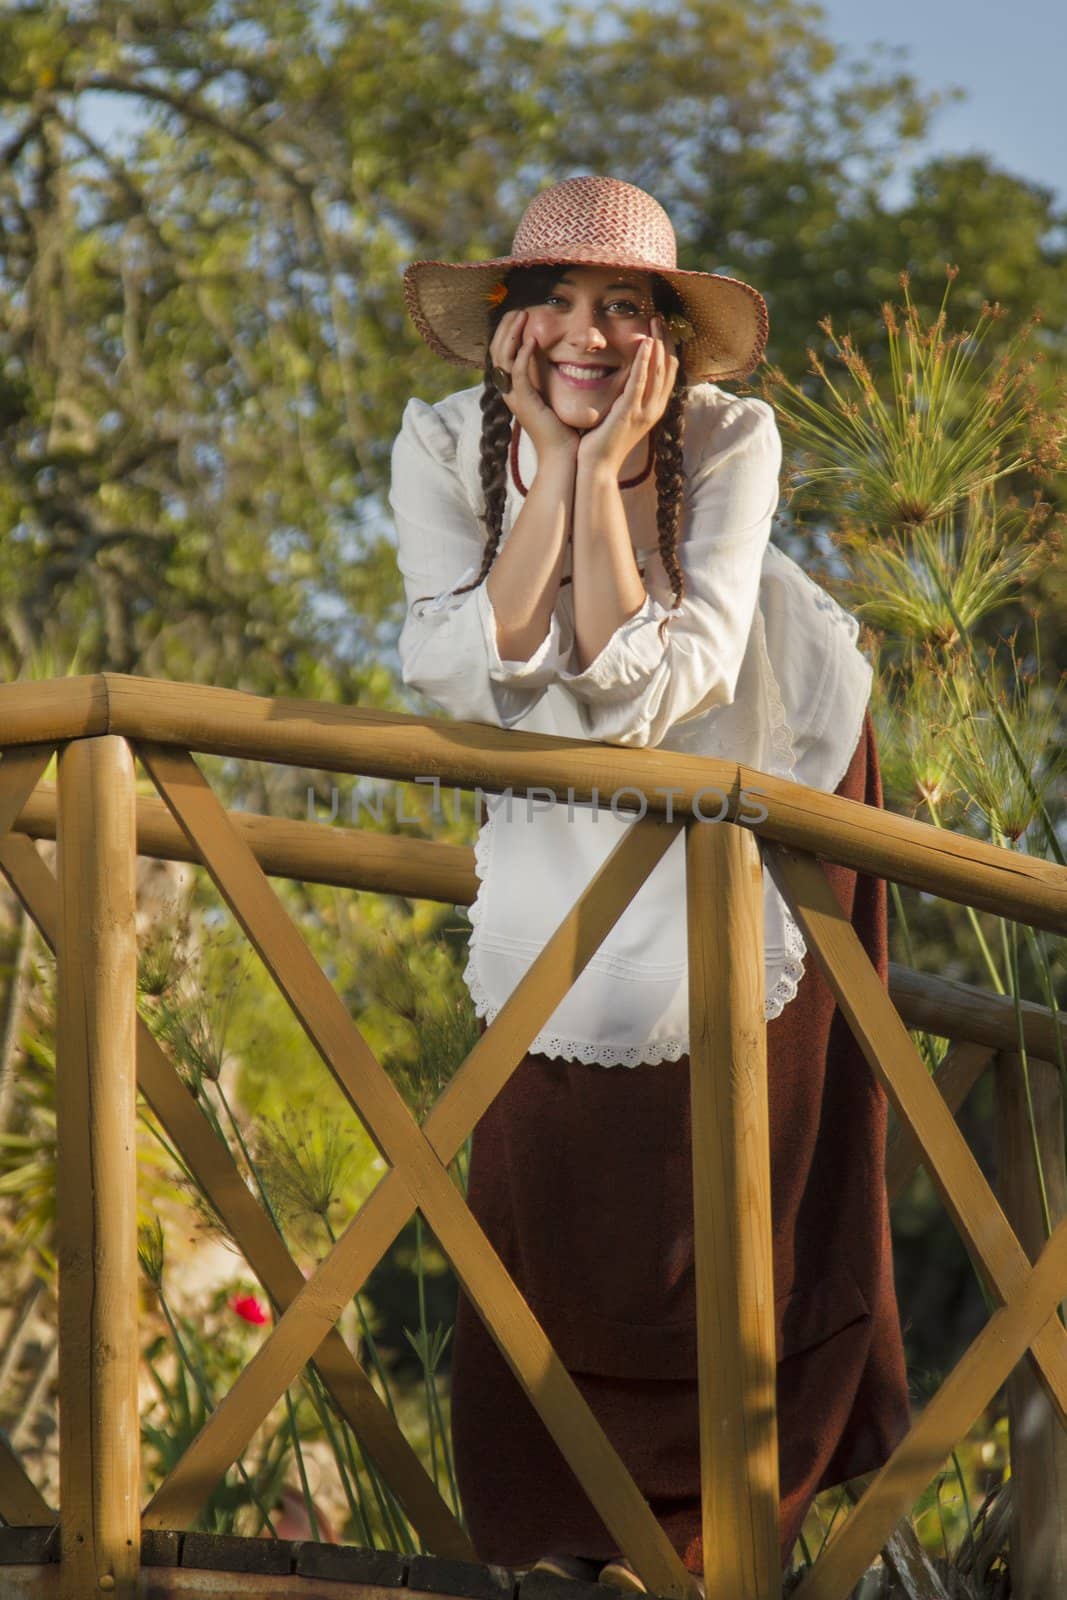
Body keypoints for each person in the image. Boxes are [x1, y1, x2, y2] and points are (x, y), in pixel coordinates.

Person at [391, 175, 910, 1589]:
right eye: (552, 299)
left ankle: (711, 1542)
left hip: (763, 756)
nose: (586, 331)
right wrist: (560, 474)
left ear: (669, 338)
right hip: (568, 784)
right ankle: (556, 1536)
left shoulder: (732, 437)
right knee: (546, 1138)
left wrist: (612, 459)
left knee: (746, 1158)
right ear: (506, 324)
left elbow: (659, 685)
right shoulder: (442, 443)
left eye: (624, 307)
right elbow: (459, 665)